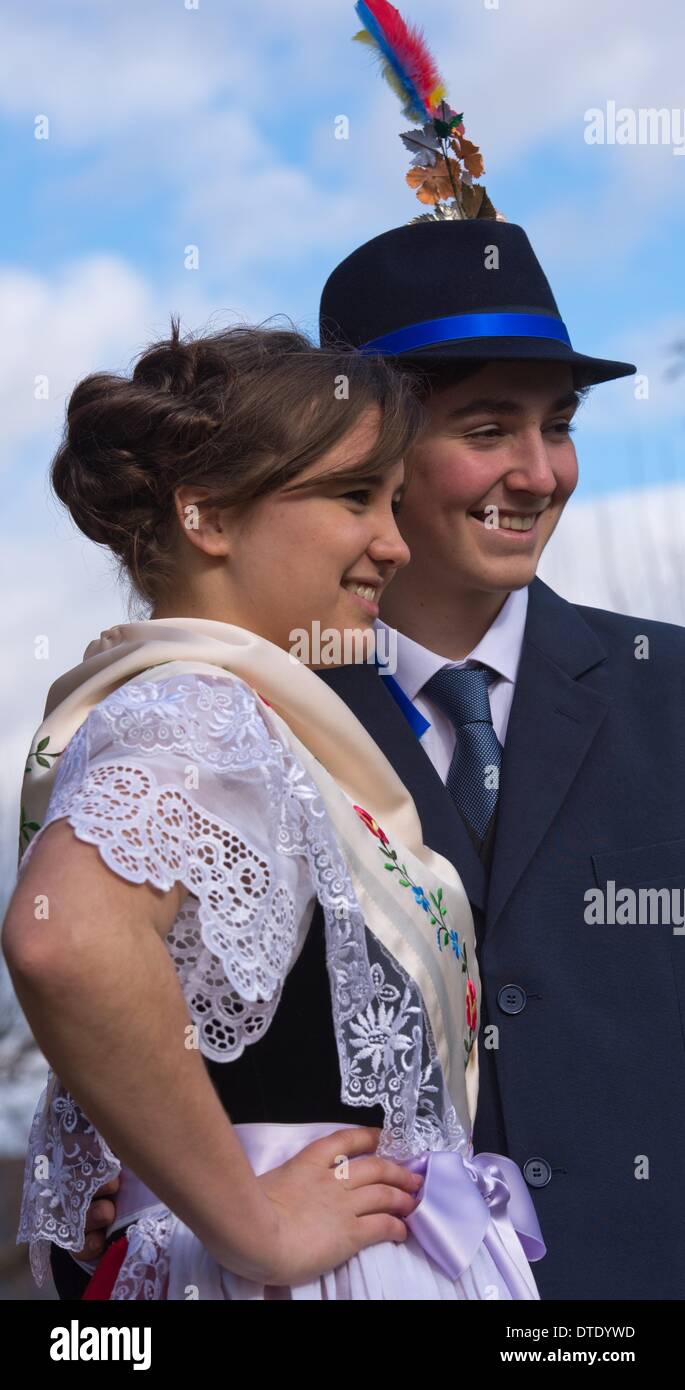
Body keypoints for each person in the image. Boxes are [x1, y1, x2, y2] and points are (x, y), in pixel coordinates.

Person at [3, 320, 544, 1301]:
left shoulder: (237, 714)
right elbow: (68, 944)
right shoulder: (200, 707)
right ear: (205, 514)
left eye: (390, 501)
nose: (393, 541)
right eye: (350, 498)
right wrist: (253, 1223)